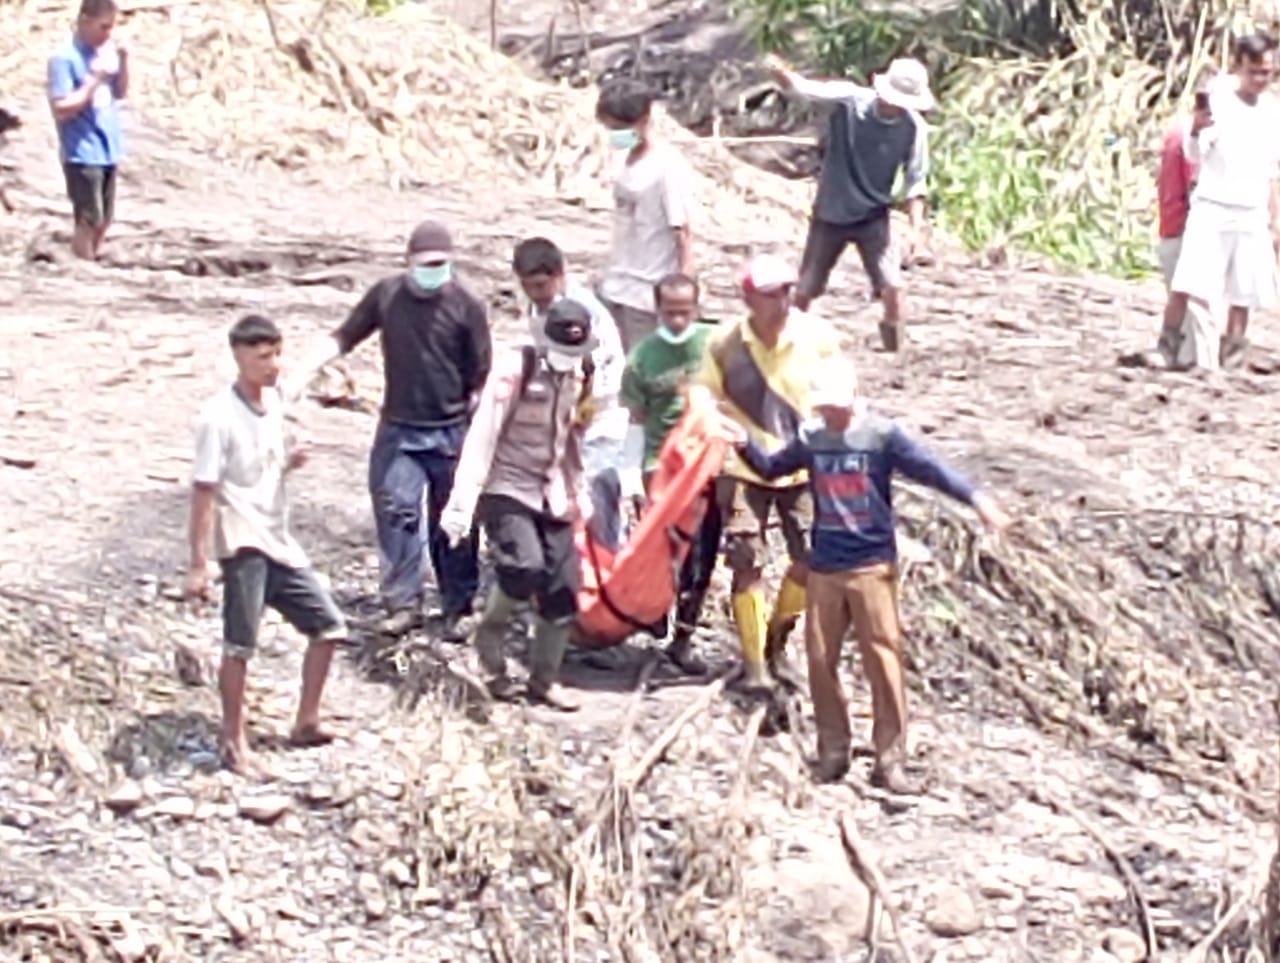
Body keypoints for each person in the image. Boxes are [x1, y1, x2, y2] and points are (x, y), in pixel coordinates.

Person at [728, 357, 1011, 793]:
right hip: (825, 565)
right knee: (821, 661)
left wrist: (977, 499)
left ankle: (890, 758)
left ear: (854, 397)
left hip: (871, 565)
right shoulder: (813, 438)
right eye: (825, 408)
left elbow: (931, 470)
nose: (831, 415)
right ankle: (833, 751)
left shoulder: (881, 436)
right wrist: (743, 441)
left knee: (883, 658)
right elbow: (772, 468)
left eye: (837, 408)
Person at [290, 220, 492, 636]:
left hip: (451, 428)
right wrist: (297, 377)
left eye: (440, 264)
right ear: (408, 262)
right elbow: (344, 337)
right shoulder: (387, 296)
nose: (432, 271)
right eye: (425, 264)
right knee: (396, 514)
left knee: (452, 523)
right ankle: (403, 602)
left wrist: (477, 437)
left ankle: (459, 605)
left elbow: (482, 374)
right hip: (400, 428)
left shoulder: (466, 305)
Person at [187, 315, 347, 776]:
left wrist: (290, 463)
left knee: (328, 628)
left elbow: (265, 466)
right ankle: (233, 741)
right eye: (262, 357)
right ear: (238, 357)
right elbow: (203, 491)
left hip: (278, 538)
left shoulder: (274, 402)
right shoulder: (217, 418)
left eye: (276, 354)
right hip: (241, 541)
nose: (273, 365)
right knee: (240, 643)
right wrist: (198, 564)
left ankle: (307, 720)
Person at [439, 299, 599, 712]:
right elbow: (484, 435)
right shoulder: (515, 370)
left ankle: (543, 680)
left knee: (564, 585)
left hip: (553, 488)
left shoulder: (581, 375)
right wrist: (463, 502)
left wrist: (580, 492)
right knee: (522, 565)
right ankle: (489, 640)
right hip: (508, 484)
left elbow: (571, 438)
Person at [698, 253, 839, 691]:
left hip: (800, 466)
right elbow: (703, 391)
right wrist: (712, 422)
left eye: (786, 291)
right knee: (746, 560)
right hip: (743, 468)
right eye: (770, 294)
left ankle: (778, 637)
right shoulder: (725, 343)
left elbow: (841, 392)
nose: (782, 301)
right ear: (748, 298)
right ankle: (755, 663)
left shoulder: (817, 337)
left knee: (811, 558)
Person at [766, 54, 932, 352]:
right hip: (832, 210)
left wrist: (917, 231)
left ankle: (894, 345)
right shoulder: (850, 101)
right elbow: (805, 90)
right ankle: (786, 339)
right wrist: (782, 75)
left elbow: (915, 181)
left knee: (892, 284)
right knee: (807, 286)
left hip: (873, 215)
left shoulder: (913, 128)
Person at [620, 273, 721, 673]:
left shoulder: (714, 345)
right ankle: (652, 614)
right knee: (661, 549)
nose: (678, 321)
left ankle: (684, 636)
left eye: (685, 313)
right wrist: (640, 474)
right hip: (662, 464)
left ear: (697, 309)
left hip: (707, 463)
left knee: (702, 552)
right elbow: (638, 416)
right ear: (656, 310)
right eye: (669, 313)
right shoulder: (643, 357)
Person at [1169, 33, 1280, 370]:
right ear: (1239, 67)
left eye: (1269, 72)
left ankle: (1232, 360)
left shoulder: (1273, 110)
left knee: (1244, 293)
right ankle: (1202, 362)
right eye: (1255, 71)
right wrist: (1196, 130)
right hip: (1213, 206)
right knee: (1199, 286)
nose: (1262, 79)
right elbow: (1194, 151)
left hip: (1251, 212)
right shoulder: (1219, 101)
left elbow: (1273, 169)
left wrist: (1275, 219)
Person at [512, 236, 629, 549]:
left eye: (540, 286)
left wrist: (577, 411)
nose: (534, 295)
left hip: (599, 427)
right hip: (559, 425)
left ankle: (611, 577)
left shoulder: (587, 316)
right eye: (527, 287)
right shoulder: (538, 309)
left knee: (598, 509)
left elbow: (605, 376)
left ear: (559, 276)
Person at [595, 79, 697, 353]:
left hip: (646, 294)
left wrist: (683, 297)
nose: (615, 135)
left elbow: (683, 234)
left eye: (620, 128)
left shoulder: (667, 167)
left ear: (642, 121)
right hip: (615, 284)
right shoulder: (623, 159)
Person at [47, 0, 129, 261]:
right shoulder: (64, 58)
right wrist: (93, 80)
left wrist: (124, 62)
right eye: (103, 27)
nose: (107, 34)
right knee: (88, 217)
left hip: (106, 147)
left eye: (111, 27)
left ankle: (90, 256)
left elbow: (120, 92)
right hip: (81, 150)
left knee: (104, 217)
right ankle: (82, 265)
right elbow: (61, 106)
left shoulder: (104, 54)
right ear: (84, 20)